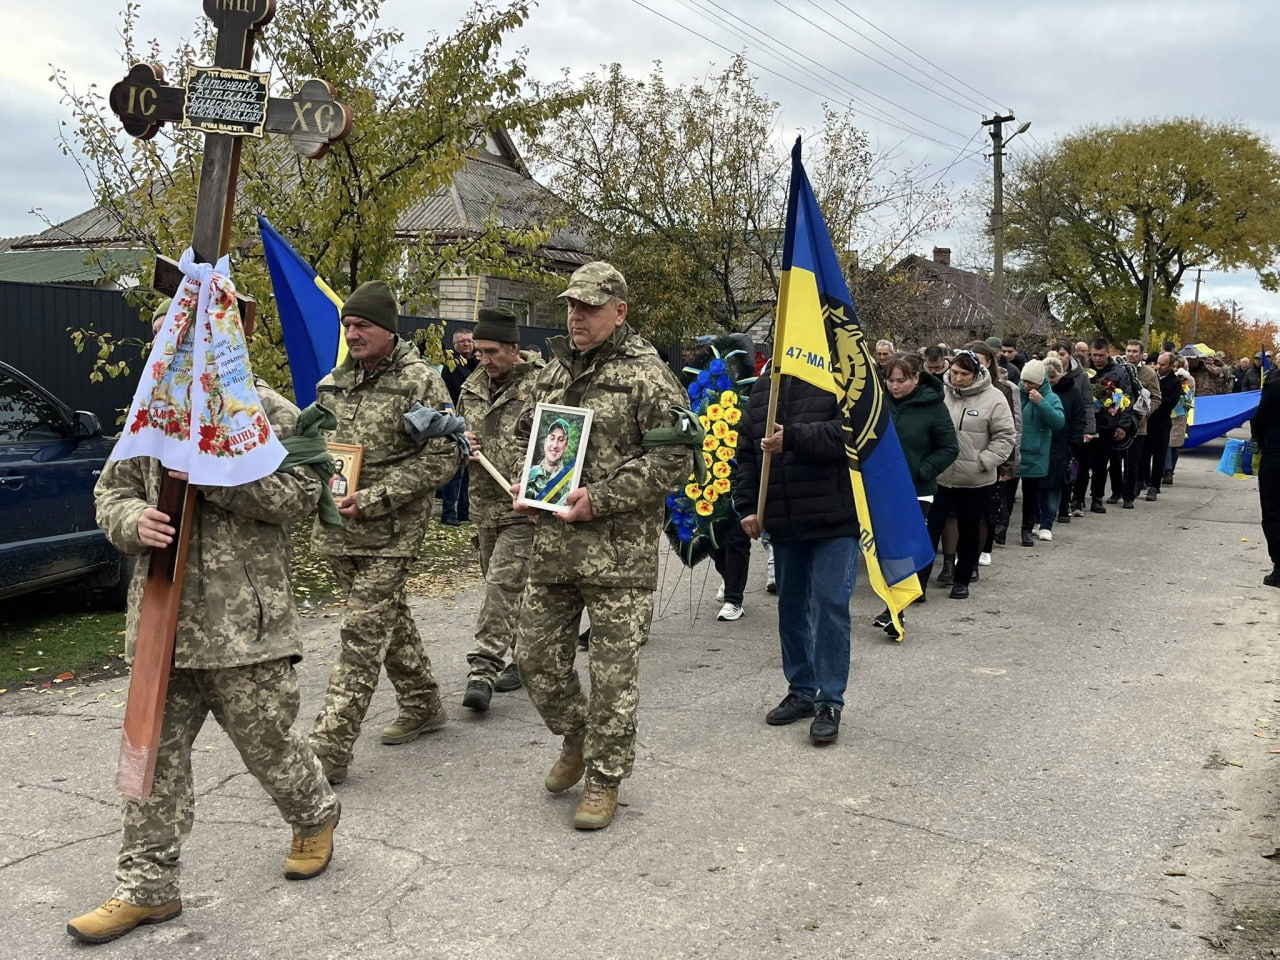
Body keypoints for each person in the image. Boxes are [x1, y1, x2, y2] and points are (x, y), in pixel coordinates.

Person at [70, 371, 340, 945]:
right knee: (150, 759)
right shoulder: (154, 407)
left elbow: (304, 492)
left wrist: (217, 476)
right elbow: (111, 490)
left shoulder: (263, 408)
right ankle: (147, 887)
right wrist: (131, 520)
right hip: (162, 624)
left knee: (267, 744)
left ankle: (314, 814)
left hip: (245, 628)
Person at [513, 262, 692, 831]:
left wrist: (603, 497)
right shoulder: (554, 371)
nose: (576, 317)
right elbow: (531, 436)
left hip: (618, 557)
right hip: (553, 547)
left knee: (613, 677)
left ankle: (604, 779)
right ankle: (577, 737)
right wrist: (529, 481)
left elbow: (675, 459)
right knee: (535, 660)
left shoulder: (648, 376)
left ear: (619, 311)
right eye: (571, 306)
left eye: (589, 308)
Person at [308, 281, 461, 785]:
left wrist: (375, 499)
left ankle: (328, 748)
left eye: (362, 326)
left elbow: (445, 455)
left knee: (361, 632)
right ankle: (422, 702)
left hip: (392, 531)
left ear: (388, 330)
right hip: (339, 530)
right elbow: (320, 449)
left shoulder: (419, 382)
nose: (352, 333)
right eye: (347, 325)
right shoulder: (330, 384)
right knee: (386, 620)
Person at [736, 352, 859, 745]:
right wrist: (746, 507)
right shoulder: (761, 391)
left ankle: (830, 701)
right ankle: (801, 690)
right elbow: (746, 457)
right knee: (791, 609)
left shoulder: (835, 381)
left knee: (829, 606)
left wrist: (796, 437)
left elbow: (854, 436)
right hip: (785, 523)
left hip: (834, 519)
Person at [456, 307, 541, 712]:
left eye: (492, 352)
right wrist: (460, 446)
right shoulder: (471, 387)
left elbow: (555, 442)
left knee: (501, 586)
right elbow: (454, 440)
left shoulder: (543, 385)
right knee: (506, 587)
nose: (485, 360)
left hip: (523, 509)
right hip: (483, 506)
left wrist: (533, 480)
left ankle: (484, 669)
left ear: (514, 348)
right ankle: (527, 656)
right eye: (479, 353)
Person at [876, 355, 957, 637]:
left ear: (915, 379)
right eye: (890, 381)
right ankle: (889, 603)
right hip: (879, 486)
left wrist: (923, 470)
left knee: (902, 550)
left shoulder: (933, 406)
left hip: (916, 489)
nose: (895, 386)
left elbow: (949, 448)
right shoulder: (878, 402)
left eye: (901, 380)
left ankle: (896, 610)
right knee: (879, 550)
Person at [927, 351, 1016, 599]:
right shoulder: (940, 393)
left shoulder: (994, 398)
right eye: (954, 372)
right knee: (932, 527)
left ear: (975, 373)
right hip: (941, 474)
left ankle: (962, 579)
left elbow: (1006, 436)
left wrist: (984, 461)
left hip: (975, 478)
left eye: (964, 374)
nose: (957, 378)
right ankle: (918, 582)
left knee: (969, 528)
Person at [1076, 338, 1135, 515]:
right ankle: (1078, 499)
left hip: (1107, 425)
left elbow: (1126, 399)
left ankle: (1097, 498)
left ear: (1108, 354)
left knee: (1101, 465)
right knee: (1082, 463)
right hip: (1086, 424)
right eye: (1094, 355)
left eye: (1101, 355)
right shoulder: (1084, 371)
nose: (1097, 359)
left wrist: (1123, 426)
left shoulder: (1118, 373)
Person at [1014, 359, 1065, 546]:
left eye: (1030, 382)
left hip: (1035, 455)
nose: (1026, 385)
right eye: (1024, 381)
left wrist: (1041, 403)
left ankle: (1027, 531)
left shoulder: (1051, 398)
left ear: (1040, 382)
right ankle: (1000, 529)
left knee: (1030, 497)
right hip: (1015, 453)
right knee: (1005, 496)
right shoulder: (1017, 393)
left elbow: (1058, 422)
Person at [1052, 340, 1096, 522]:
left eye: (1062, 354)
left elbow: (1087, 403)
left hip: (1073, 426)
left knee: (1073, 465)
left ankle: (1072, 502)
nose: (1059, 358)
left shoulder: (1080, 376)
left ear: (1069, 355)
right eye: (1055, 354)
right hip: (1053, 425)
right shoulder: (1046, 371)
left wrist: (1088, 429)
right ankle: (1051, 505)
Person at [1041, 356, 1085, 540]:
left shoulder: (1072, 391)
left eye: (1053, 378)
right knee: (1036, 485)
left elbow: (1078, 416)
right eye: (1047, 378)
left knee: (1054, 484)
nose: (1050, 382)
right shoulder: (1037, 391)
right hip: (1041, 443)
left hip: (1061, 443)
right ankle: (1035, 519)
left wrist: (1074, 442)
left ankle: (1047, 523)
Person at [438, 328, 479, 525]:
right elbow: (462, 390)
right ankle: (449, 513)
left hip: (473, 422)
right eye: (462, 342)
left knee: (469, 470)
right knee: (455, 470)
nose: (467, 345)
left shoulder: (477, 365)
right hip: (455, 421)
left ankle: (464, 511)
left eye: (470, 341)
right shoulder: (451, 366)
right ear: (455, 345)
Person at [1251, 365, 1280, 587]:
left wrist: (1260, 442)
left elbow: (1260, 419)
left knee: (1273, 510)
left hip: (1275, 452)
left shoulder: (1274, 385)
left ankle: (1279, 567)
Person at [1143, 351, 1181, 502]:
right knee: (1143, 454)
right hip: (1147, 421)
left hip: (1162, 422)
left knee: (1159, 456)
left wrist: (1154, 399)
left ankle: (1154, 485)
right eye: (1158, 363)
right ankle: (1142, 480)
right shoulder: (1152, 376)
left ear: (1172, 366)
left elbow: (1171, 402)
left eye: (1163, 364)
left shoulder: (1175, 382)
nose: (1159, 366)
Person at [523, 418, 574, 505]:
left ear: (566, 446)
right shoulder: (528, 473)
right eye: (552, 438)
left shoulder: (571, 482)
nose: (555, 445)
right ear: (545, 442)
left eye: (561, 440)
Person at [1165, 359, 1193, 483]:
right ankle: (1167, 470)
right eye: (1174, 366)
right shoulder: (1168, 377)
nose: (1176, 369)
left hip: (1180, 413)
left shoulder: (1188, 380)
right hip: (1168, 412)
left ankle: (1169, 469)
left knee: (1174, 443)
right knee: (1167, 443)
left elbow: (1189, 396)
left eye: (1178, 366)